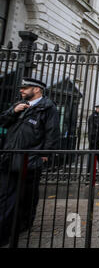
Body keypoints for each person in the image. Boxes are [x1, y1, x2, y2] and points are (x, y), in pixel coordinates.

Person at [0, 77, 60, 246]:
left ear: (37, 90)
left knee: (27, 194)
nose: (21, 90)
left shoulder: (48, 107)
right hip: (10, 156)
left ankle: (22, 224)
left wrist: (46, 154)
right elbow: (3, 121)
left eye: (25, 88)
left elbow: (52, 132)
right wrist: (13, 111)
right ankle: (6, 231)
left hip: (30, 158)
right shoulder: (18, 105)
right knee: (6, 195)